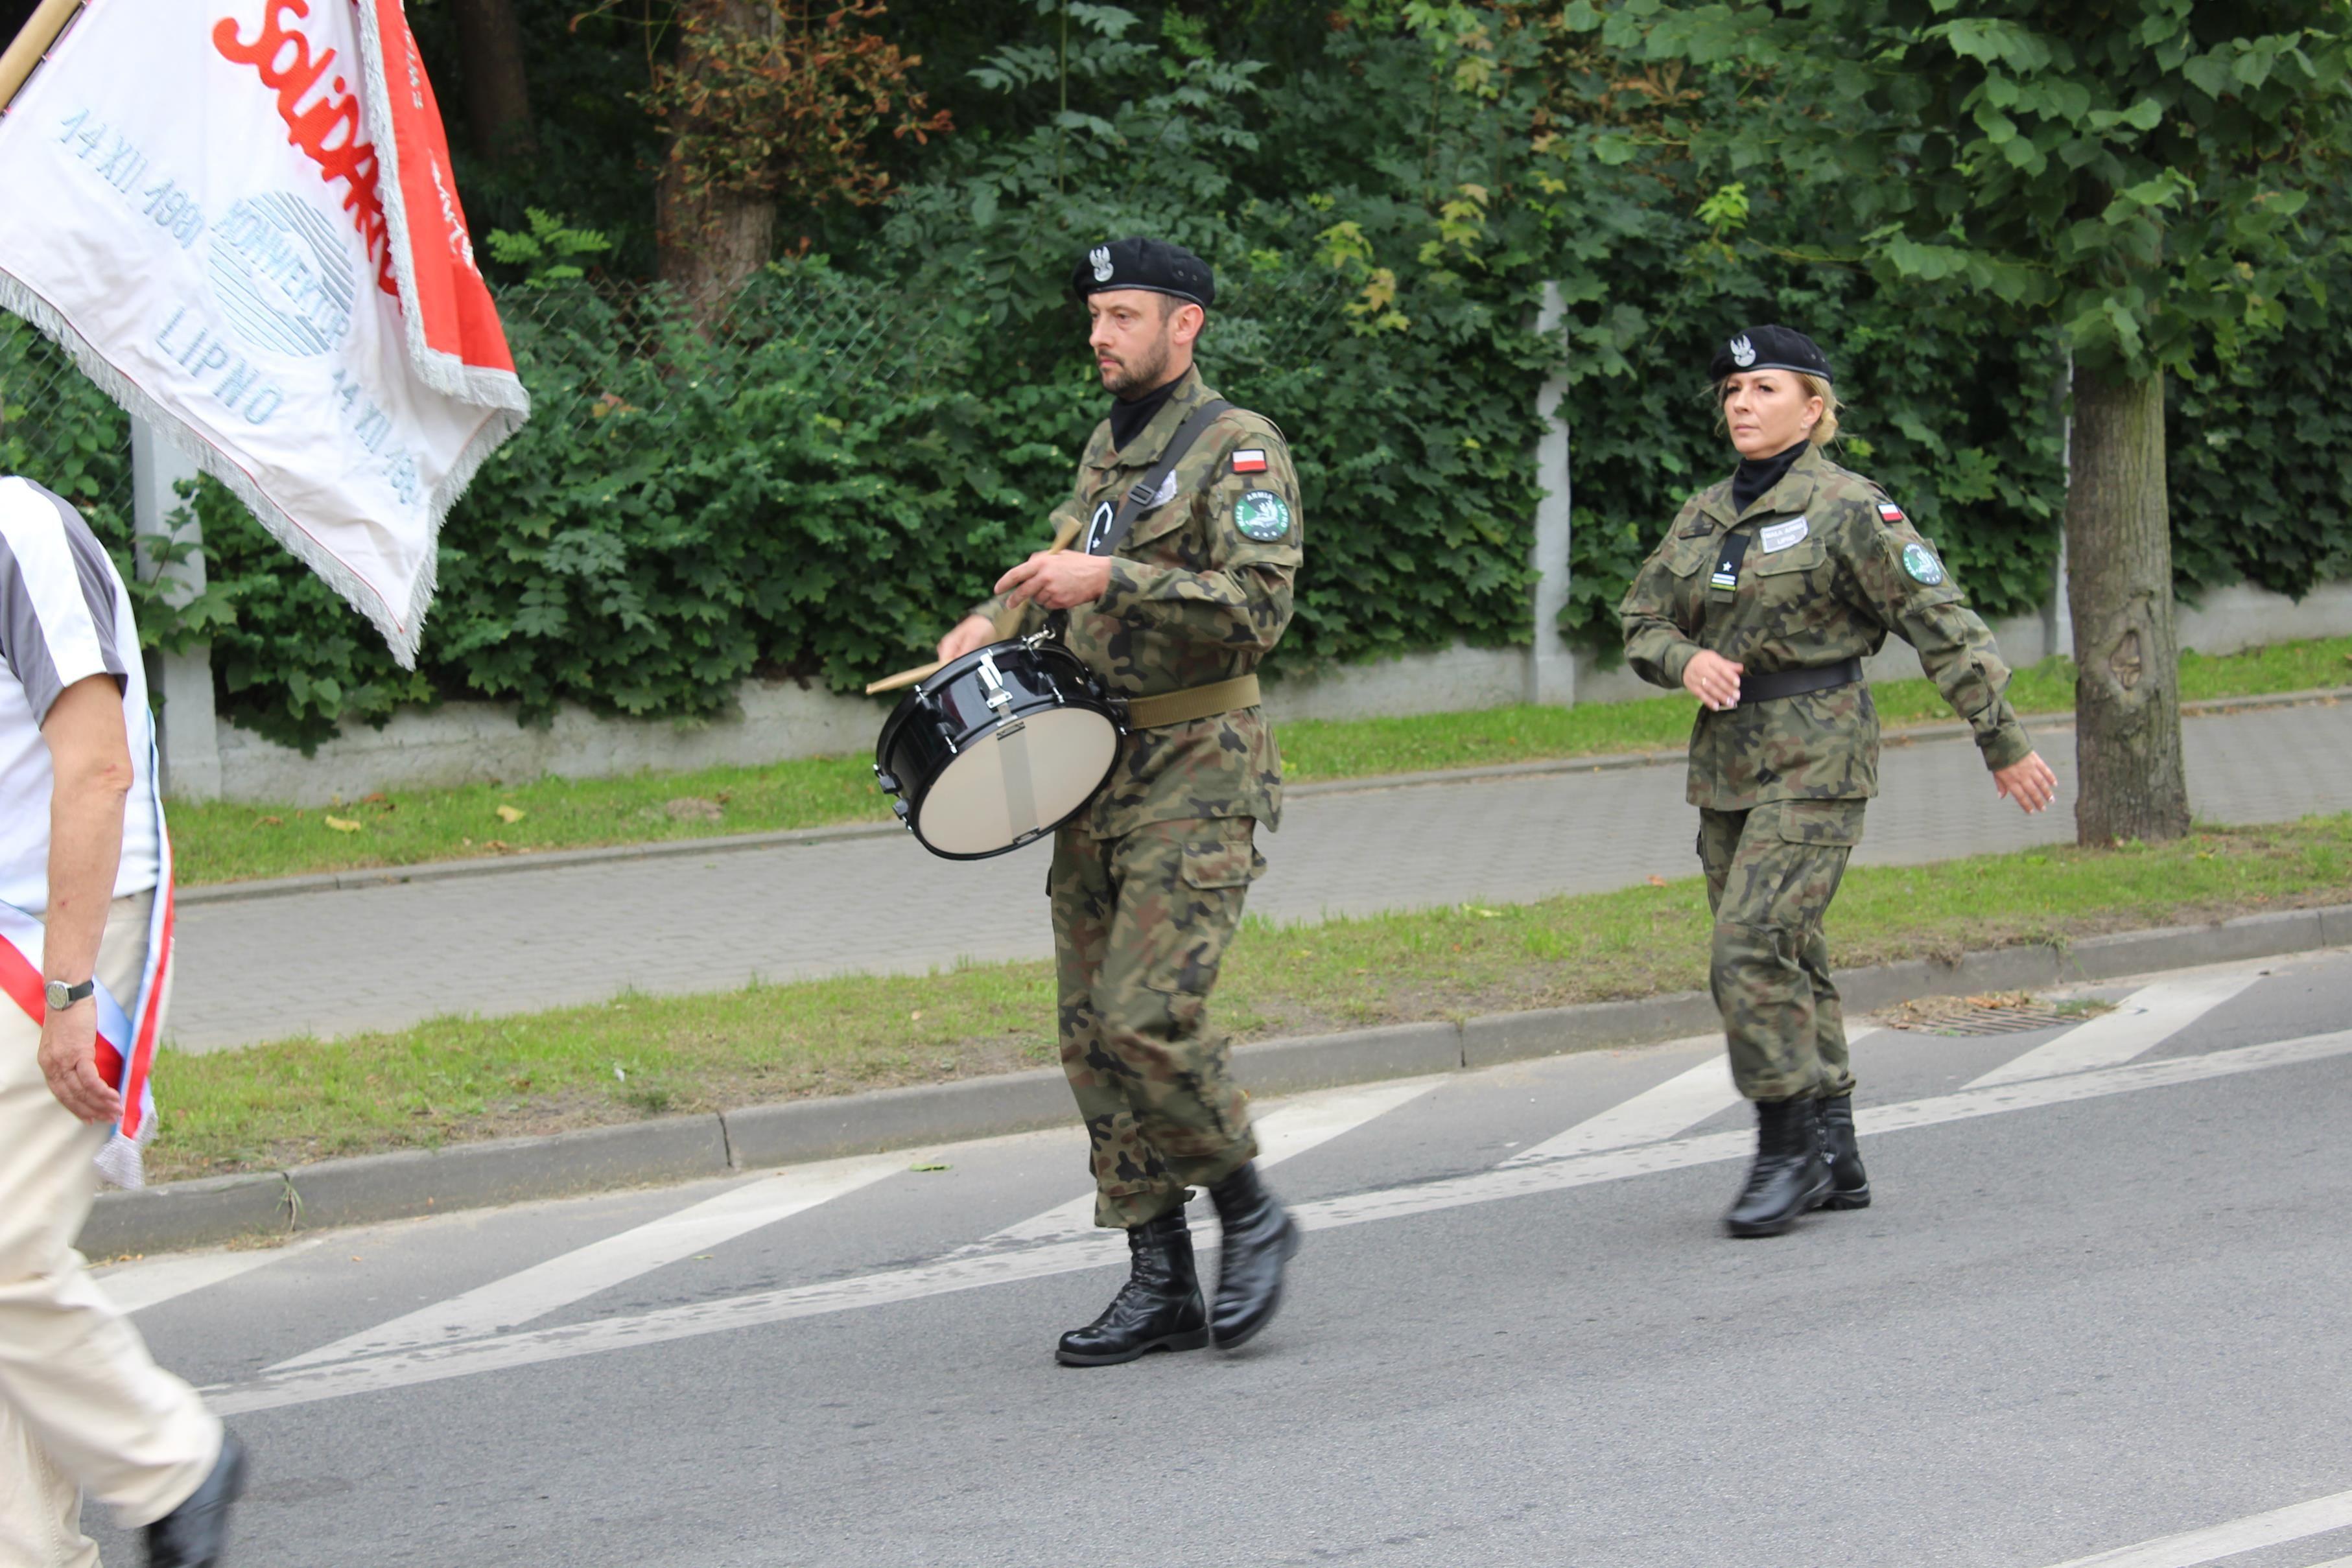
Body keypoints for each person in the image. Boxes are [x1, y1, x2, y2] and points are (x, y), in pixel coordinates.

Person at [935, 238, 1303, 1366]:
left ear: (1185, 324)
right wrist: (989, 628)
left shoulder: (1239, 452)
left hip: (1198, 768)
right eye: (1096, 314)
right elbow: (1063, 567)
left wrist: (1116, 578)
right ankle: (1159, 1281)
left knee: (1150, 1014)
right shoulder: (1111, 448)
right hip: (1093, 775)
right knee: (1093, 1037)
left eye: (1125, 315)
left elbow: (1258, 608)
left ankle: (1253, 1213)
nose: (1100, 334)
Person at [1617, 326, 2060, 1239]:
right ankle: (1836, 1150)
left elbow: (1941, 620)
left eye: (1765, 387)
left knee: (1747, 949)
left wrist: (2003, 739)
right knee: (1790, 953)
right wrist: (1685, 658)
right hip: (1728, 766)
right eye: (1732, 390)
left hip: (1819, 755)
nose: (1741, 402)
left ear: (1815, 409)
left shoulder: (1852, 510)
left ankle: (1783, 1150)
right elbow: (1640, 618)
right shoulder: (1703, 514)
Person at [0, 476, 244, 1565]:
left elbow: (98, 767)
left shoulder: (20, 530)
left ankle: (173, 1463)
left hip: (63, 937)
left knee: (3, 1253)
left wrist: (65, 992)